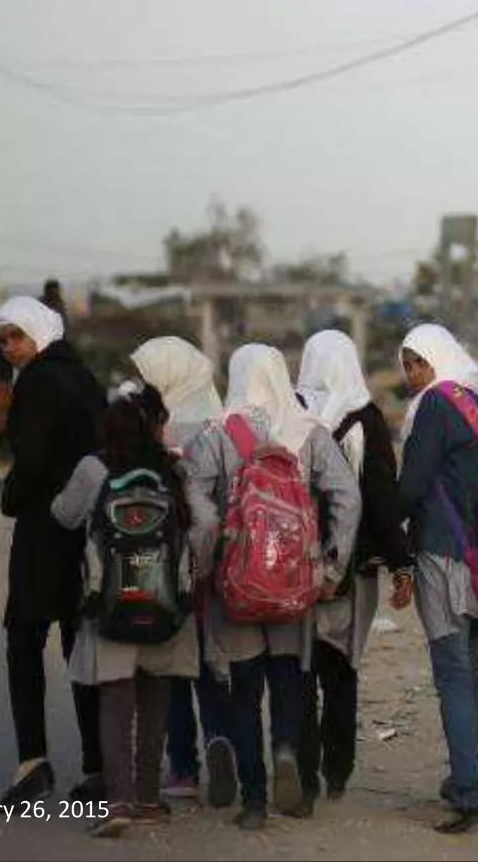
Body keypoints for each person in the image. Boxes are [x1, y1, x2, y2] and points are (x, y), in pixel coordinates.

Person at [181, 344, 360, 830]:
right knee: (290, 681)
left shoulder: (217, 433)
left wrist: (205, 567)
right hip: (293, 583)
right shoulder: (307, 431)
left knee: (243, 691)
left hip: (234, 588)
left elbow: (199, 511)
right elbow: (347, 495)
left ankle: (255, 799)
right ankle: (285, 748)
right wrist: (331, 567)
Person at [51, 382, 207, 837]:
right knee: (155, 701)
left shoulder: (93, 468)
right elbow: (204, 529)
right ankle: (147, 798)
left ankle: (116, 802)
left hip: (111, 606)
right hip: (164, 606)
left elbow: (63, 514)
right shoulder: (173, 470)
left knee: (115, 702)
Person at [293, 329, 415, 815]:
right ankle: (337, 770)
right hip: (352, 570)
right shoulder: (366, 419)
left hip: (295, 567)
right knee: (341, 671)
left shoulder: (293, 413)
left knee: (299, 673)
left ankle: (302, 776)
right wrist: (401, 563)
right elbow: (383, 501)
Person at [0, 296, 108, 805]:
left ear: (39, 333)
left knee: (24, 638)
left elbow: (33, 459)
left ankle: (33, 762)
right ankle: (97, 766)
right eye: (3, 340)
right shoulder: (84, 378)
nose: (10, 348)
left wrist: (10, 496)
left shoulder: (38, 381)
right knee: (79, 647)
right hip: (87, 528)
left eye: (16, 336)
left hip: (44, 529)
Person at [395, 323, 478, 835]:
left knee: (452, 673)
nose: (413, 375)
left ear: (438, 359)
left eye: (419, 363)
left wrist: (381, 529)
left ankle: (472, 794)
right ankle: (464, 778)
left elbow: (411, 486)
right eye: (407, 365)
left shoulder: (435, 406)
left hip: (442, 555)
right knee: (468, 671)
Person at [130, 337, 234, 807]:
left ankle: (184, 766)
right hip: (211, 566)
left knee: (172, 671)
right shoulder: (218, 419)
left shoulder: (163, 426)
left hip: (170, 565)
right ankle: (219, 739)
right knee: (210, 665)